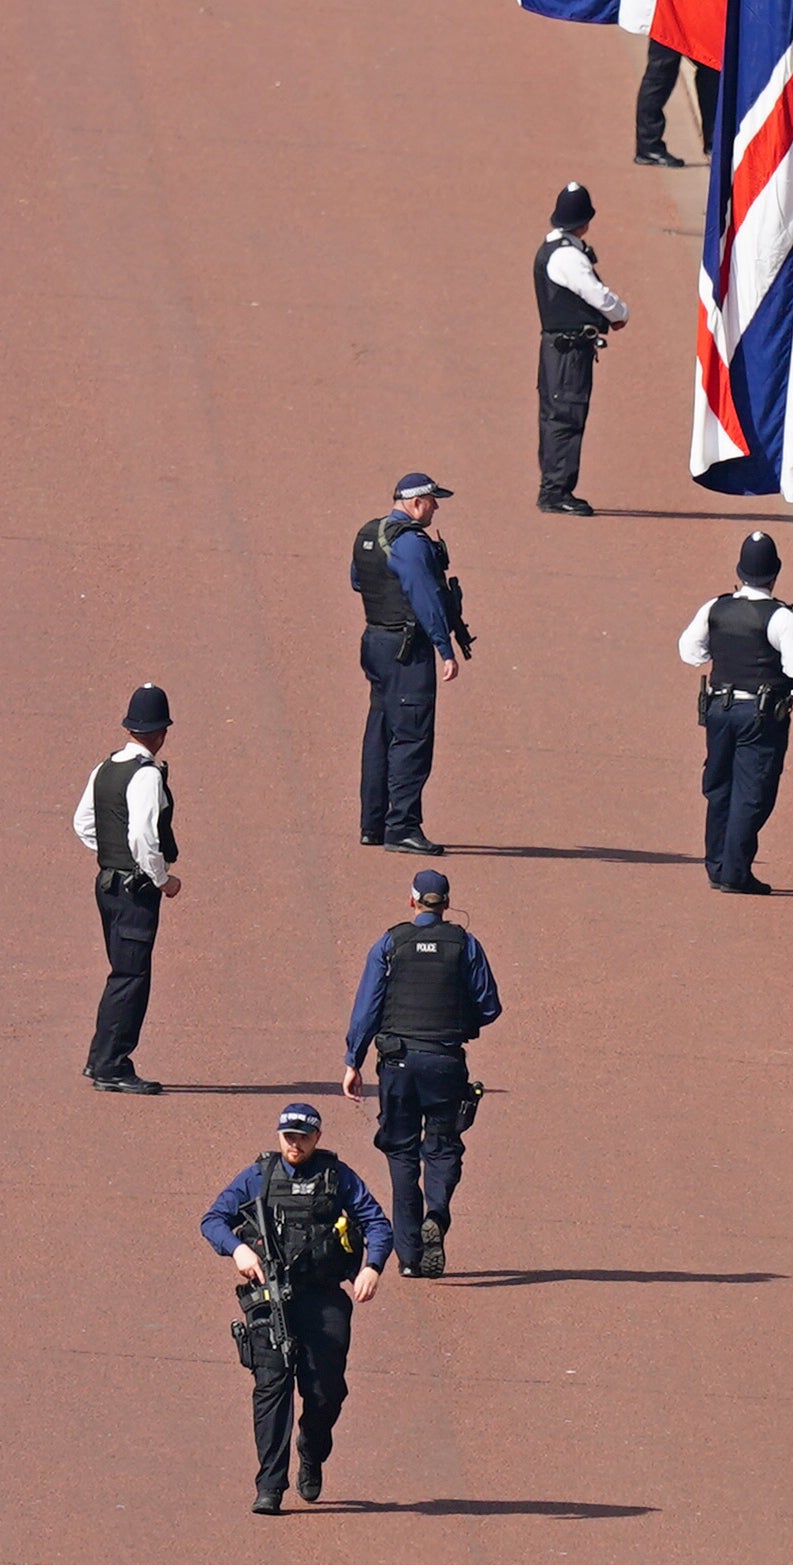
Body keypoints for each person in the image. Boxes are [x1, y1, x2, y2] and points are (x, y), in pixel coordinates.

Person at [200, 1103, 392, 1514]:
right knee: (271, 1388)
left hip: (323, 1299)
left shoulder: (336, 1177)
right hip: (270, 1299)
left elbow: (377, 1223)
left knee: (326, 1392)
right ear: (278, 1137)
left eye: (303, 1136)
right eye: (289, 1136)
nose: (295, 1143)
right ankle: (270, 1486)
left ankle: (311, 1447)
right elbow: (213, 1219)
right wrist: (238, 1251)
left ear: (317, 1138)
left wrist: (372, 1267)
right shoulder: (258, 1176)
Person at [344, 869, 502, 1278]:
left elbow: (367, 1009)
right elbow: (489, 1005)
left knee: (401, 1151)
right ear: (447, 904)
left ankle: (410, 1255)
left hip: (396, 1063)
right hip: (445, 1060)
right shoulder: (465, 944)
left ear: (412, 901)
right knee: (443, 1145)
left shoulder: (390, 943)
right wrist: (457, 1021)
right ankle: (438, 1213)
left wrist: (352, 1061)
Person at [678, 531, 793, 894]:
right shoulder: (780, 617)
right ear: (775, 574)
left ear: (739, 570)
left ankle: (718, 865)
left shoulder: (715, 607)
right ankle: (735, 873)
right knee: (753, 793)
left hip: (718, 710)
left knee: (719, 787)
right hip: (760, 714)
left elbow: (690, 652)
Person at [73, 683, 182, 1093]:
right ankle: (113, 1065)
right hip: (134, 890)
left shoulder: (106, 767)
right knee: (131, 975)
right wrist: (160, 878)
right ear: (161, 732)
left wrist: (112, 854)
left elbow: (83, 823)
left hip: (107, 884)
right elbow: (143, 836)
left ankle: (100, 1058)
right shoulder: (146, 775)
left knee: (122, 972)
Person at [354, 473, 463, 854]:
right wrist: (445, 649)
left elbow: (358, 581)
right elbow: (427, 599)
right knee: (412, 736)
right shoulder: (412, 544)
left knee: (380, 730)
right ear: (416, 503)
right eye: (433, 501)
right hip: (406, 649)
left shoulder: (369, 533)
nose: (435, 508)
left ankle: (374, 823)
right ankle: (402, 826)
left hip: (375, 642)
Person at [535, 181, 627, 516]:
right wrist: (621, 313)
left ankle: (553, 486)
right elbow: (598, 295)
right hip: (568, 353)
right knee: (566, 417)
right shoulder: (569, 256)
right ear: (584, 221)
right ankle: (556, 491)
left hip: (556, 351)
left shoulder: (553, 248)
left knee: (555, 415)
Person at [633, 36, 718, 167]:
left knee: (711, 69)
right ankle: (649, 147)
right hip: (670, 21)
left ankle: (714, 143)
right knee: (660, 75)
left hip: (691, 20)